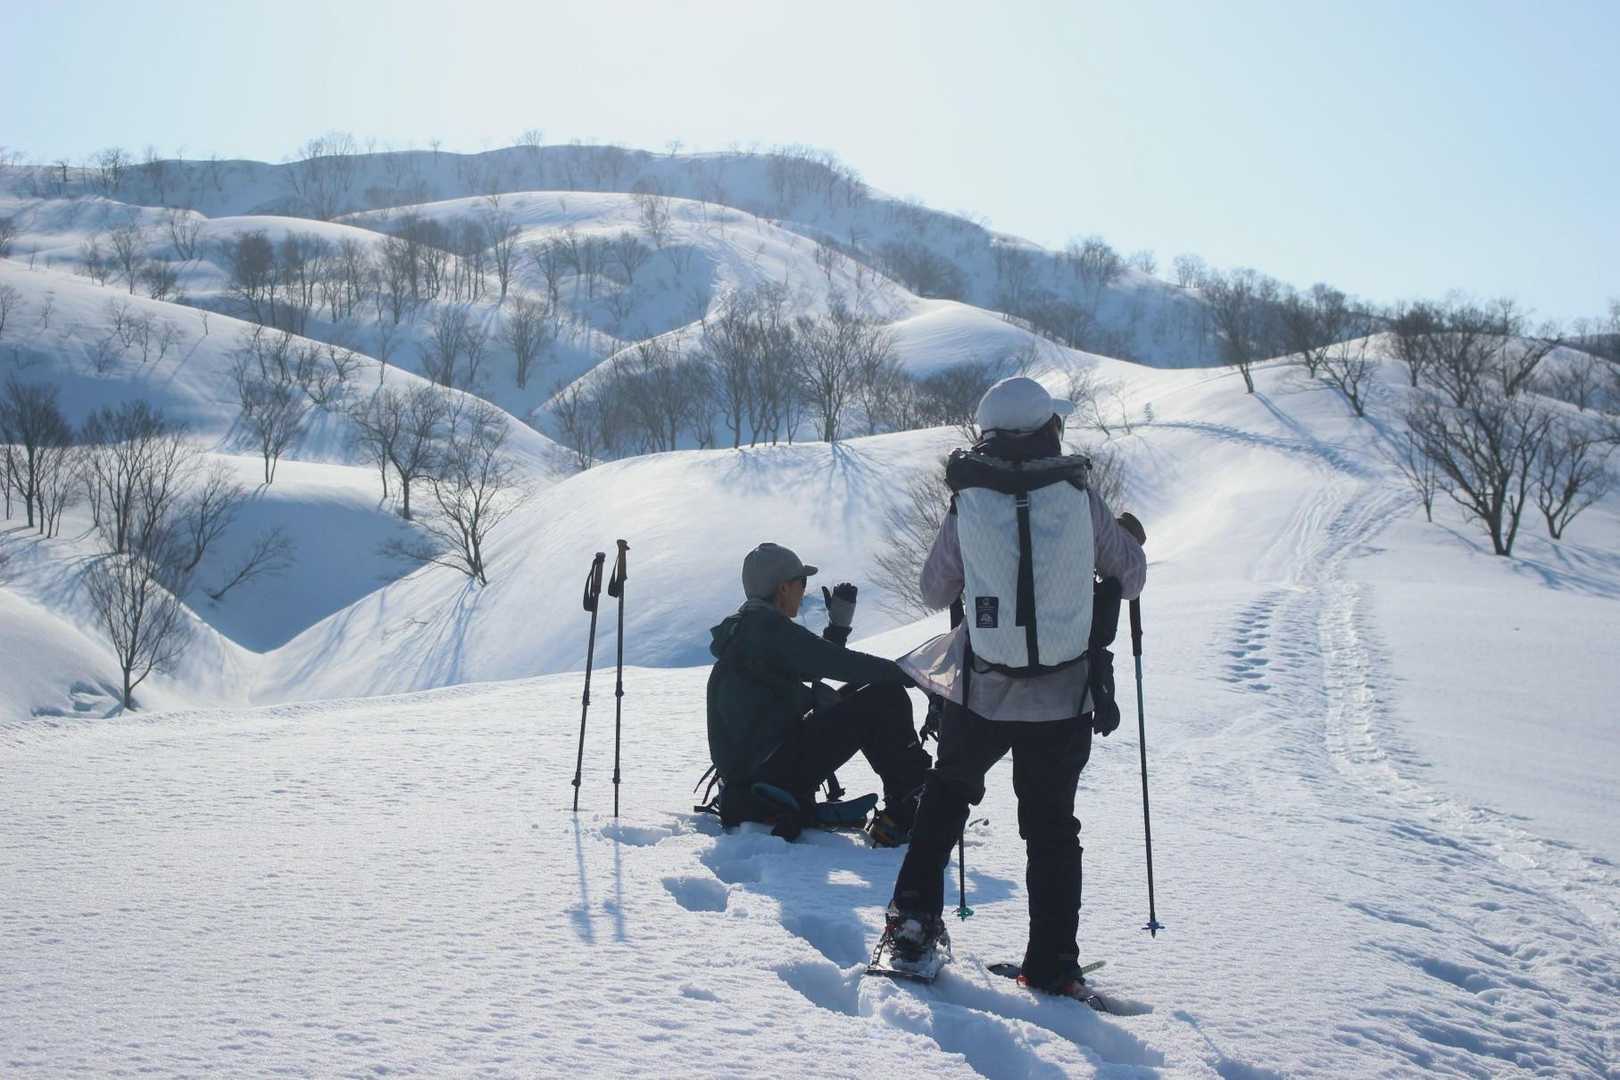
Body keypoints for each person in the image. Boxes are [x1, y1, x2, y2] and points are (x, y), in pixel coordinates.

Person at [881, 376, 1148, 994]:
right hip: (1064, 694)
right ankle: (1051, 965)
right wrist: (1121, 540)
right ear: (1049, 428)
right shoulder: (1077, 494)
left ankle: (913, 927)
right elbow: (1129, 576)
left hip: (982, 690)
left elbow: (933, 590)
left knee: (946, 799)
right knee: (1051, 828)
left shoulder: (968, 499)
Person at [706, 542, 931, 843]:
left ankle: (909, 803)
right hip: (772, 772)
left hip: (755, 773)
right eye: (801, 582)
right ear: (783, 587)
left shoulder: (747, 629)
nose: (804, 590)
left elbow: (811, 667)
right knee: (885, 697)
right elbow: (841, 664)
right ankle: (911, 810)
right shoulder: (767, 628)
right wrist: (911, 674)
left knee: (860, 692)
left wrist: (837, 629)